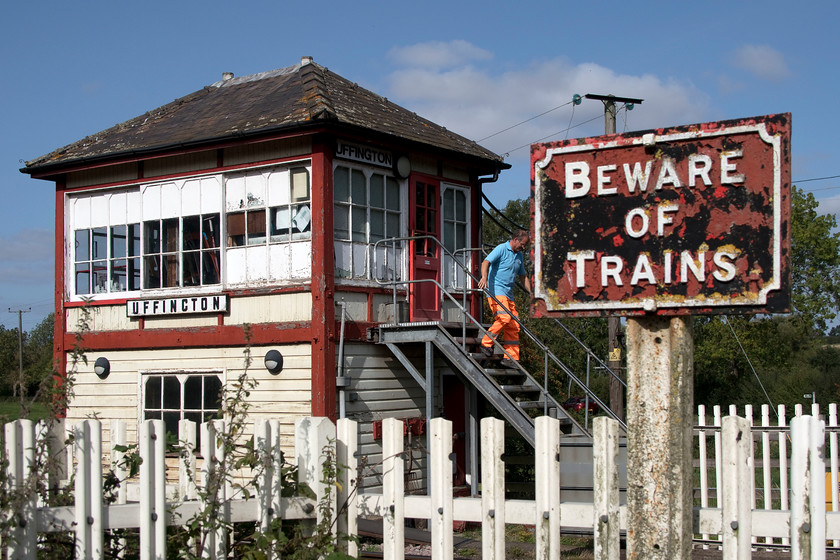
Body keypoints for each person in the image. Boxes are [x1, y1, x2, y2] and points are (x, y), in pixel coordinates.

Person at [477, 230, 531, 362]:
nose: (523, 248)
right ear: (516, 240)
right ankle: (486, 342)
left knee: (514, 324)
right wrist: (484, 277)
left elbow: (523, 276)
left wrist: (532, 293)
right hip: (496, 291)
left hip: (509, 294)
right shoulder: (501, 248)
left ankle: (510, 357)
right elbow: (485, 262)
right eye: (522, 244)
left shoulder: (519, 256)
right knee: (504, 317)